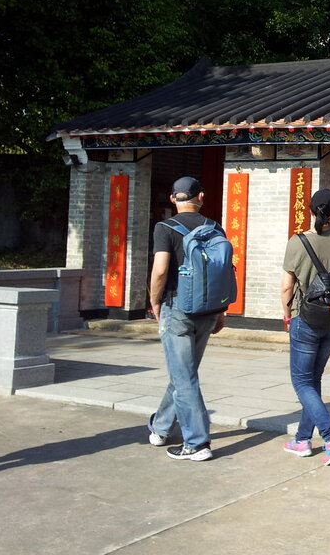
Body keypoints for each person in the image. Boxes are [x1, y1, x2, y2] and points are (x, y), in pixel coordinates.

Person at [147, 176, 227, 461]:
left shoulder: (165, 228)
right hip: (207, 310)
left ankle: (197, 442)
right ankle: (161, 428)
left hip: (177, 308)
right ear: (201, 197)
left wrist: (155, 302)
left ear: (173, 199)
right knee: (184, 374)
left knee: (184, 376)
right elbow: (220, 272)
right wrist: (220, 310)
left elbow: (159, 271)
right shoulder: (215, 228)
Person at [280, 189, 330, 466]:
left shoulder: (297, 242)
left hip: (305, 318)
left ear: (311, 212)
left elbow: (287, 286)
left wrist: (287, 315)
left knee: (301, 381)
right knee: (314, 379)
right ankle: (301, 439)